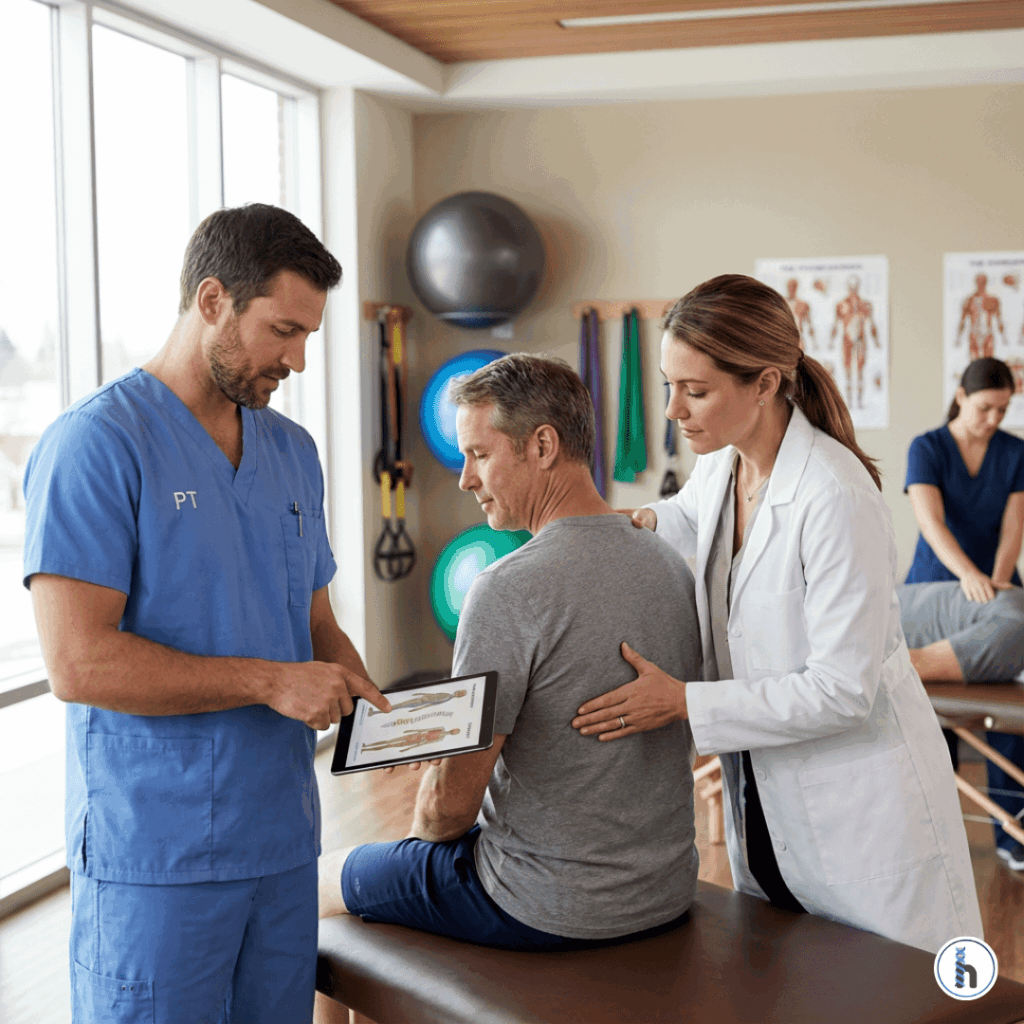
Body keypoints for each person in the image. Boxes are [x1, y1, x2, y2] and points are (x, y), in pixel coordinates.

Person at [23, 204, 389, 1024]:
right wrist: (270, 682)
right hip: (157, 854)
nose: (296, 359)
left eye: (307, 338)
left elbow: (316, 622)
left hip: (282, 842)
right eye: (282, 330)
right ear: (214, 299)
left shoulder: (292, 453)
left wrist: (376, 704)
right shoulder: (95, 446)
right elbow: (78, 664)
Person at [571, 274, 982, 953]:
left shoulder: (833, 496)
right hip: (767, 795)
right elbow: (690, 519)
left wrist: (683, 703)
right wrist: (624, 523)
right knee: (796, 981)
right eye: (669, 385)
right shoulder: (724, 462)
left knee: (886, 996)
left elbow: (844, 690)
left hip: (861, 810)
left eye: (696, 391)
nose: (674, 409)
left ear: (765, 383)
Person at [316, 355, 701, 1016]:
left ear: (543, 446)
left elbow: (448, 810)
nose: (465, 478)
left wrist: (413, 858)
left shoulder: (506, 588)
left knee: (315, 889)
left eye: (479, 455)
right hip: (663, 888)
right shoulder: (666, 562)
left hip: (545, 905)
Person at [901, 356, 1024, 871]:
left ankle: (1012, 833)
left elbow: (1015, 526)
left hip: (996, 589)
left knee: (1005, 714)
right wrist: (967, 575)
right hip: (937, 585)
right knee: (934, 724)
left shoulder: (1015, 451)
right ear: (960, 394)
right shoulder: (927, 447)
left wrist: (993, 580)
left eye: (1003, 409)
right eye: (985, 407)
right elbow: (930, 523)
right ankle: (935, 835)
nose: (993, 418)